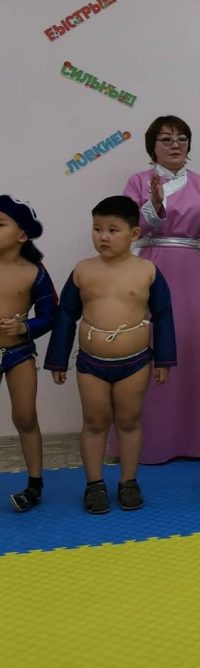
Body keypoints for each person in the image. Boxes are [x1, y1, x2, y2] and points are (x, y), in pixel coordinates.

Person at [120, 115, 200, 463]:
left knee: (186, 343)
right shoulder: (138, 181)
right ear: (153, 146)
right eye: (166, 139)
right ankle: (146, 442)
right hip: (150, 263)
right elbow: (129, 227)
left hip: (189, 267)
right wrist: (155, 204)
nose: (175, 144)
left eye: (182, 138)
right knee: (149, 342)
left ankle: (189, 441)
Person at [45, 196, 176, 513]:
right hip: (91, 363)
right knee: (94, 422)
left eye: (113, 230)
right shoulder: (83, 270)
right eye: (97, 229)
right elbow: (66, 315)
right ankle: (94, 485)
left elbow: (163, 315)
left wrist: (164, 360)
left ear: (134, 234)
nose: (103, 236)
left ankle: (128, 482)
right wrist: (58, 359)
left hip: (135, 362)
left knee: (129, 421)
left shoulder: (147, 270)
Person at [0, 196, 58, 512]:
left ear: (22, 234)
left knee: (25, 417)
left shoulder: (34, 272)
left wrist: (24, 327)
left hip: (19, 353)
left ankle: (34, 485)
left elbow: (50, 315)